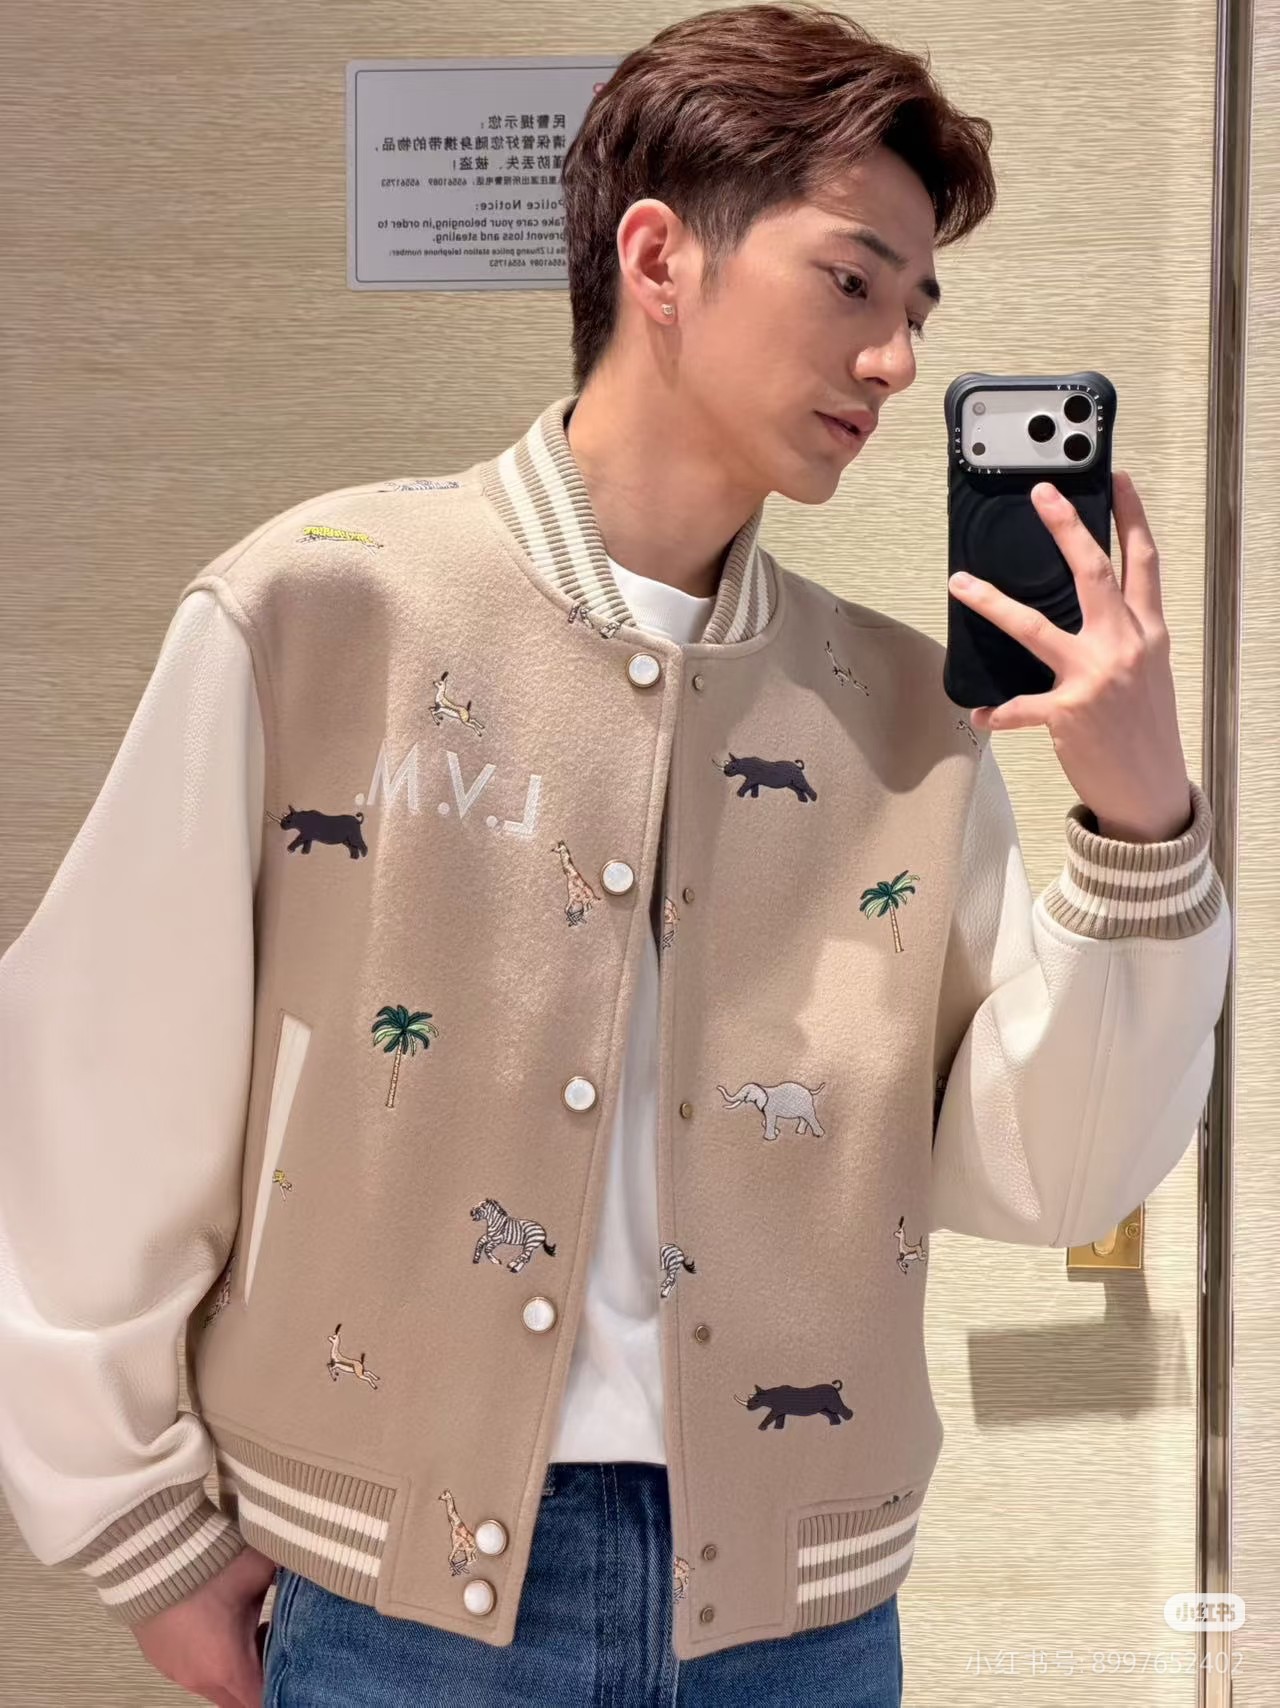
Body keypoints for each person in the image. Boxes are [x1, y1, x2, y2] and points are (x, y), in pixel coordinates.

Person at [0, 5, 1231, 1706]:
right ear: (661, 258)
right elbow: (94, 1071)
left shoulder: (902, 714)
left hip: (801, 1623)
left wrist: (1140, 818)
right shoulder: (322, 606)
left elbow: (1051, 1171)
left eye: (918, 311)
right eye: (854, 282)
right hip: (400, 1606)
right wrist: (134, 1522)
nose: (895, 360)